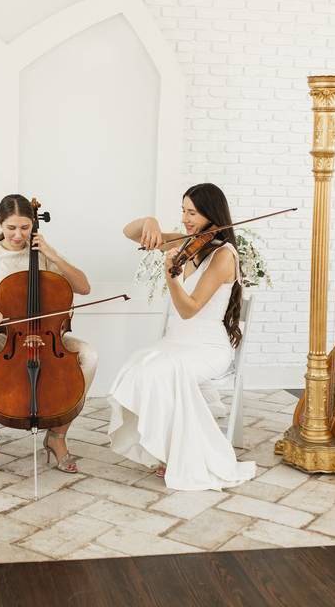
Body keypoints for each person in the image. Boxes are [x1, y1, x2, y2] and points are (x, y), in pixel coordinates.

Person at [108, 183, 256, 490]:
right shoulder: (188, 242)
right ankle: (164, 449)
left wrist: (170, 276)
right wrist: (149, 221)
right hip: (176, 342)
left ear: (211, 214)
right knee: (139, 367)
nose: (186, 219)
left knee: (165, 372)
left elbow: (189, 310)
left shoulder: (223, 256)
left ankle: (178, 455)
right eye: (183, 211)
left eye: (193, 212)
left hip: (207, 347)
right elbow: (129, 232)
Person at [0, 194, 98, 476]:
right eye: (11, 227)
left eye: (25, 228)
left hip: (49, 336)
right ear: (0, 223)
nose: (18, 235)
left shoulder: (43, 252)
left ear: (34, 225)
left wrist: (52, 255)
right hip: (5, 336)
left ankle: (57, 435)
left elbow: (84, 287)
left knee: (89, 355)